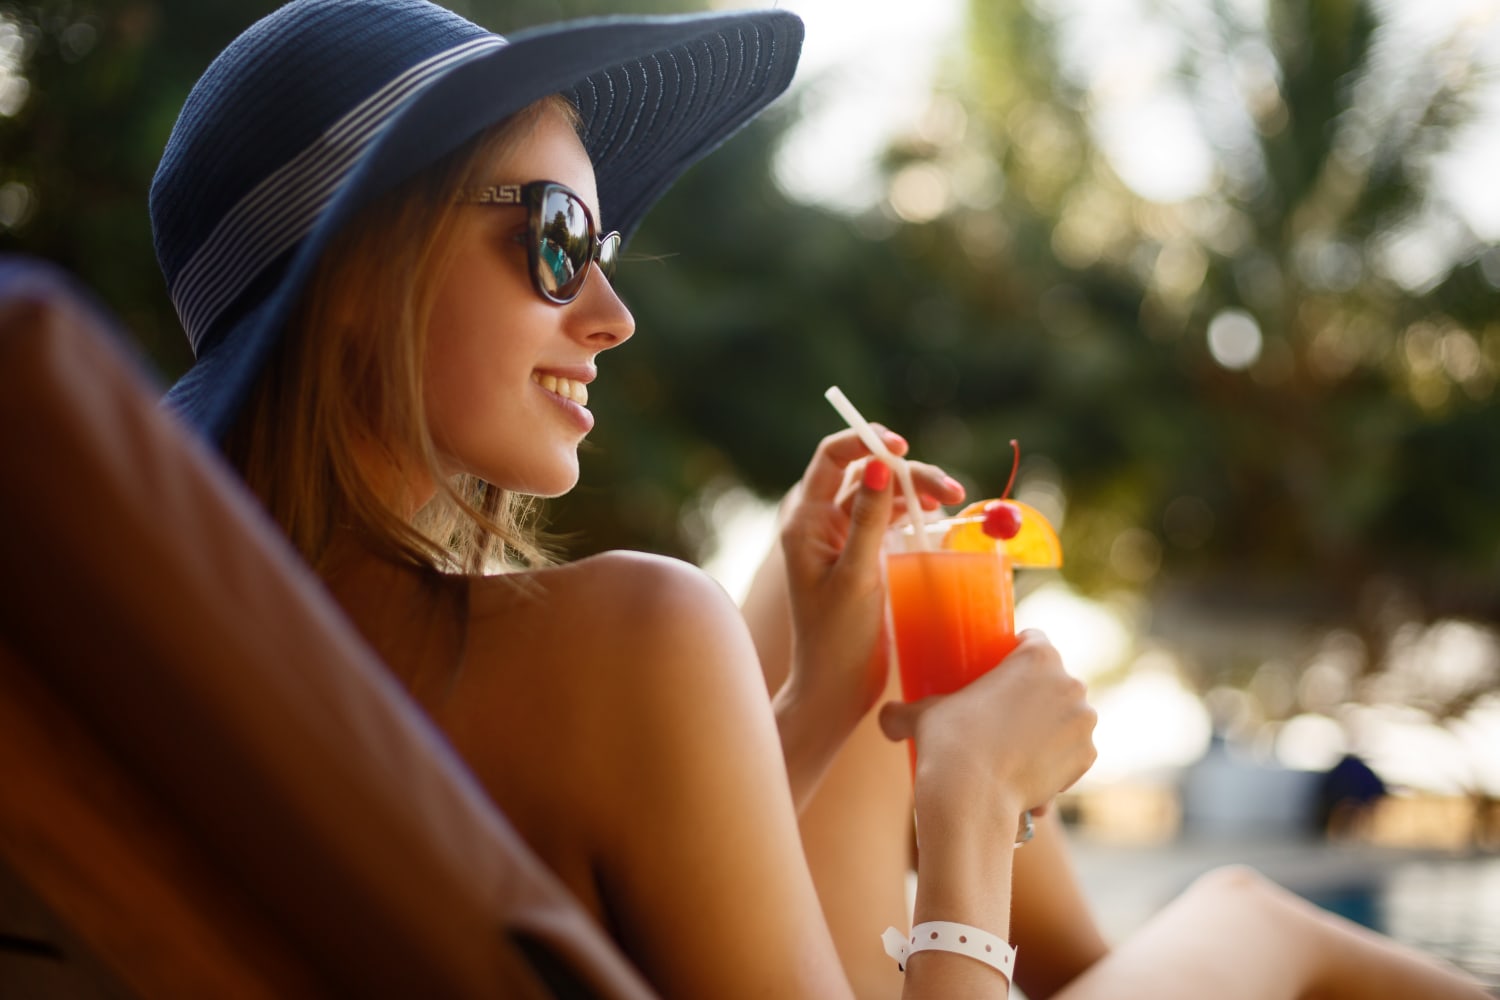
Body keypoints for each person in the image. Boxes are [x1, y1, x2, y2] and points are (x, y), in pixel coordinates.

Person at [149, 2, 1490, 997]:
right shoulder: (626, 639)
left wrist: (815, 705)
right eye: (556, 243)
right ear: (356, 277)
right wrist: (969, 801)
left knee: (842, 628)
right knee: (1256, 920)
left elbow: (558, 906)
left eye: (602, 251)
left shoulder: (202, 678)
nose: (614, 315)